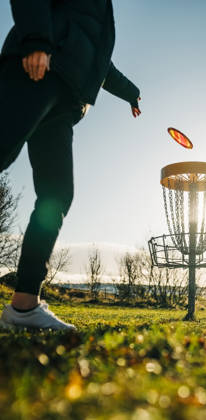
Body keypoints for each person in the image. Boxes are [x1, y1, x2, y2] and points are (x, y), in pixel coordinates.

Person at [0, 0, 141, 330]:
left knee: (57, 194)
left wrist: (131, 92)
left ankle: (24, 307)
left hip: (67, 100)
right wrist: (36, 41)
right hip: (37, 70)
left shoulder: (99, 13)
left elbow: (98, 61)